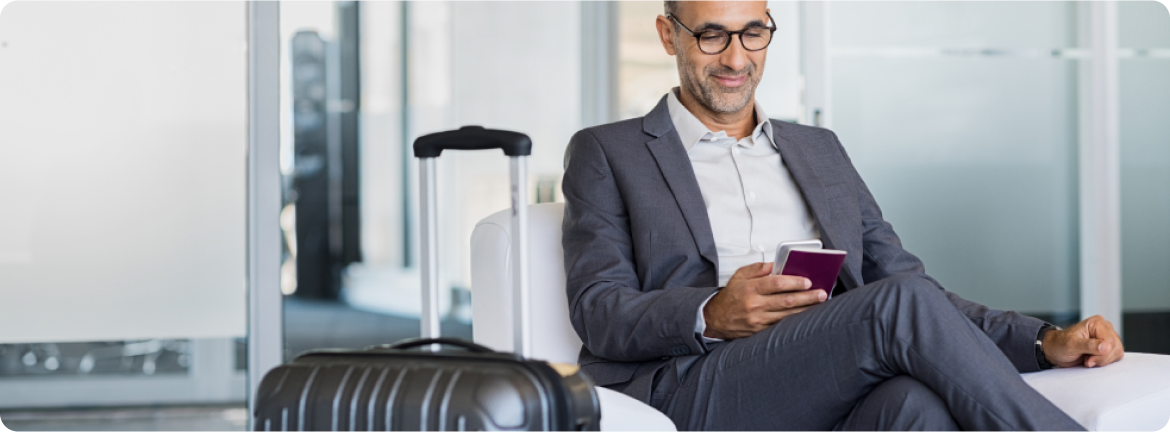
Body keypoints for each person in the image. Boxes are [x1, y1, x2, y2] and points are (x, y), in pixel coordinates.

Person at [559, 0, 1125, 430]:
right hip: (696, 386)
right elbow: (598, 309)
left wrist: (1044, 340)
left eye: (754, 33)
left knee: (916, 406)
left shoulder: (818, 149)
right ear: (668, 35)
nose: (736, 58)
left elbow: (909, 288)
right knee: (896, 306)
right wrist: (711, 312)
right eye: (711, 36)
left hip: (823, 372)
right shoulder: (609, 151)